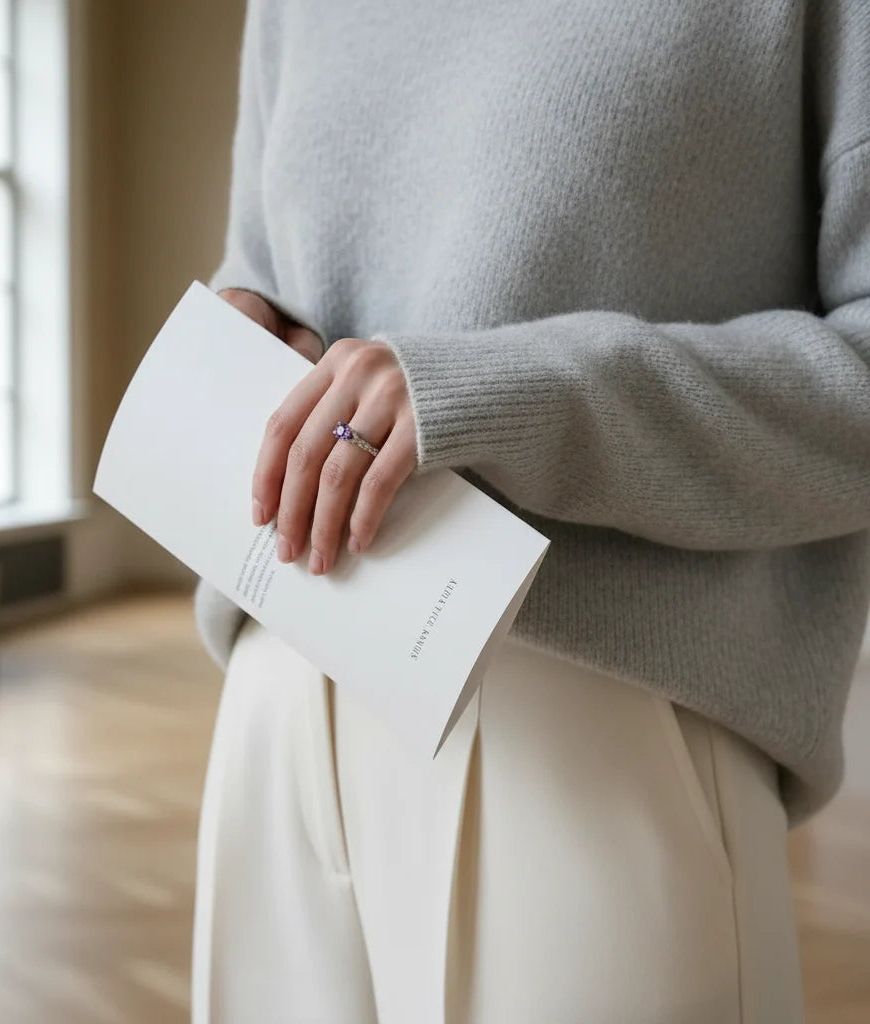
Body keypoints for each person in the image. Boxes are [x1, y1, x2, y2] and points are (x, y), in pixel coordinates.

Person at [190, 1, 870, 1020]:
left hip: (590, 723)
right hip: (275, 697)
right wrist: (245, 325)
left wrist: (508, 395)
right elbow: (267, 268)